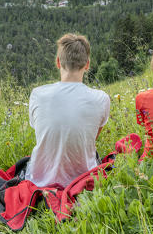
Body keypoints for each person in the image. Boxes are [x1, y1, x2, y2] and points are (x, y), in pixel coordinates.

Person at [26, 33, 110, 187]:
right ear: (87, 64)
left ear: (58, 62)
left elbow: (42, 135)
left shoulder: (37, 94)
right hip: (83, 179)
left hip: (40, 181)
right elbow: (91, 139)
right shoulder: (101, 99)